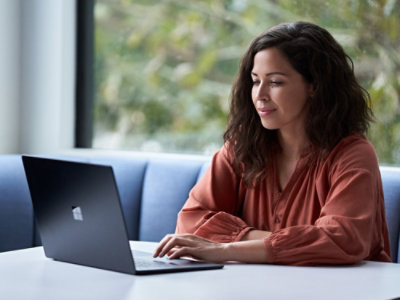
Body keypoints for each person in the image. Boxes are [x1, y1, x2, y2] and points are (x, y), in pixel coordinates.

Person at [153, 21, 392, 265]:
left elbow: (342, 240)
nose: (260, 94)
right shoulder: (243, 145)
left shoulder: (352, 154)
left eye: (275, 82)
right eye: (256, 81)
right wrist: (290, 242)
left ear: (315, 86)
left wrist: (225, 249)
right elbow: (191, 220)